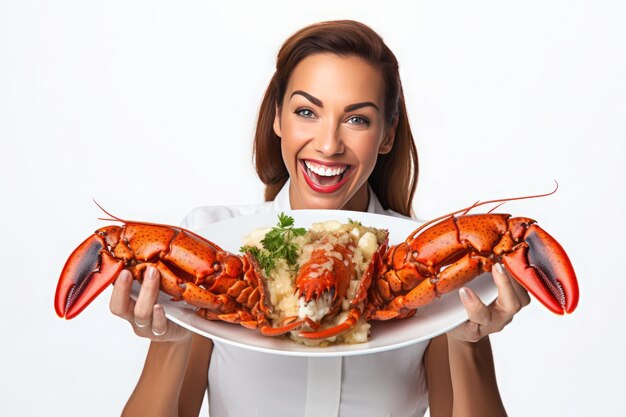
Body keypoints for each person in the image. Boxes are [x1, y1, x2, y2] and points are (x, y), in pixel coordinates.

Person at [110, 20, 530, 417]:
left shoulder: (430, 264)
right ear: (277, 117)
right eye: (307, 112)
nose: (328, 145)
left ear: (387, 133)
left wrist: (468, 339)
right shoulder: (212, 240)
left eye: (357, 119)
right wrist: (172, 337)